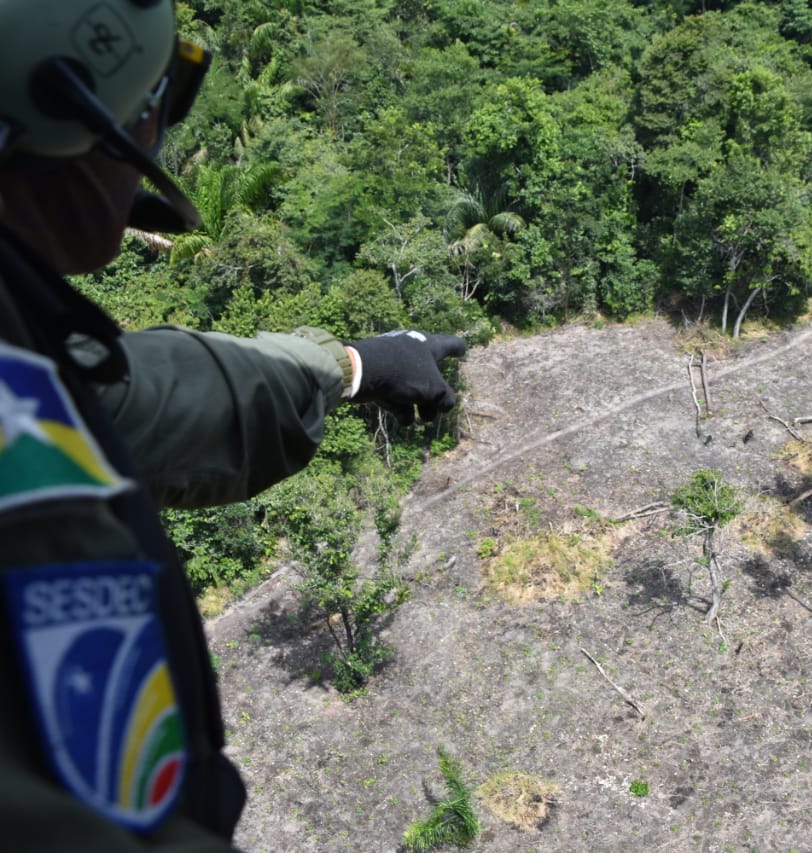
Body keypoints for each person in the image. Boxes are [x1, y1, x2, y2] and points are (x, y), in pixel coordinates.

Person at [0, 2, 466, 848]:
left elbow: (126, 393)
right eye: (158, 100)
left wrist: (354, 365)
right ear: (69, 121)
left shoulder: (19, 344)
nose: (159, 136)